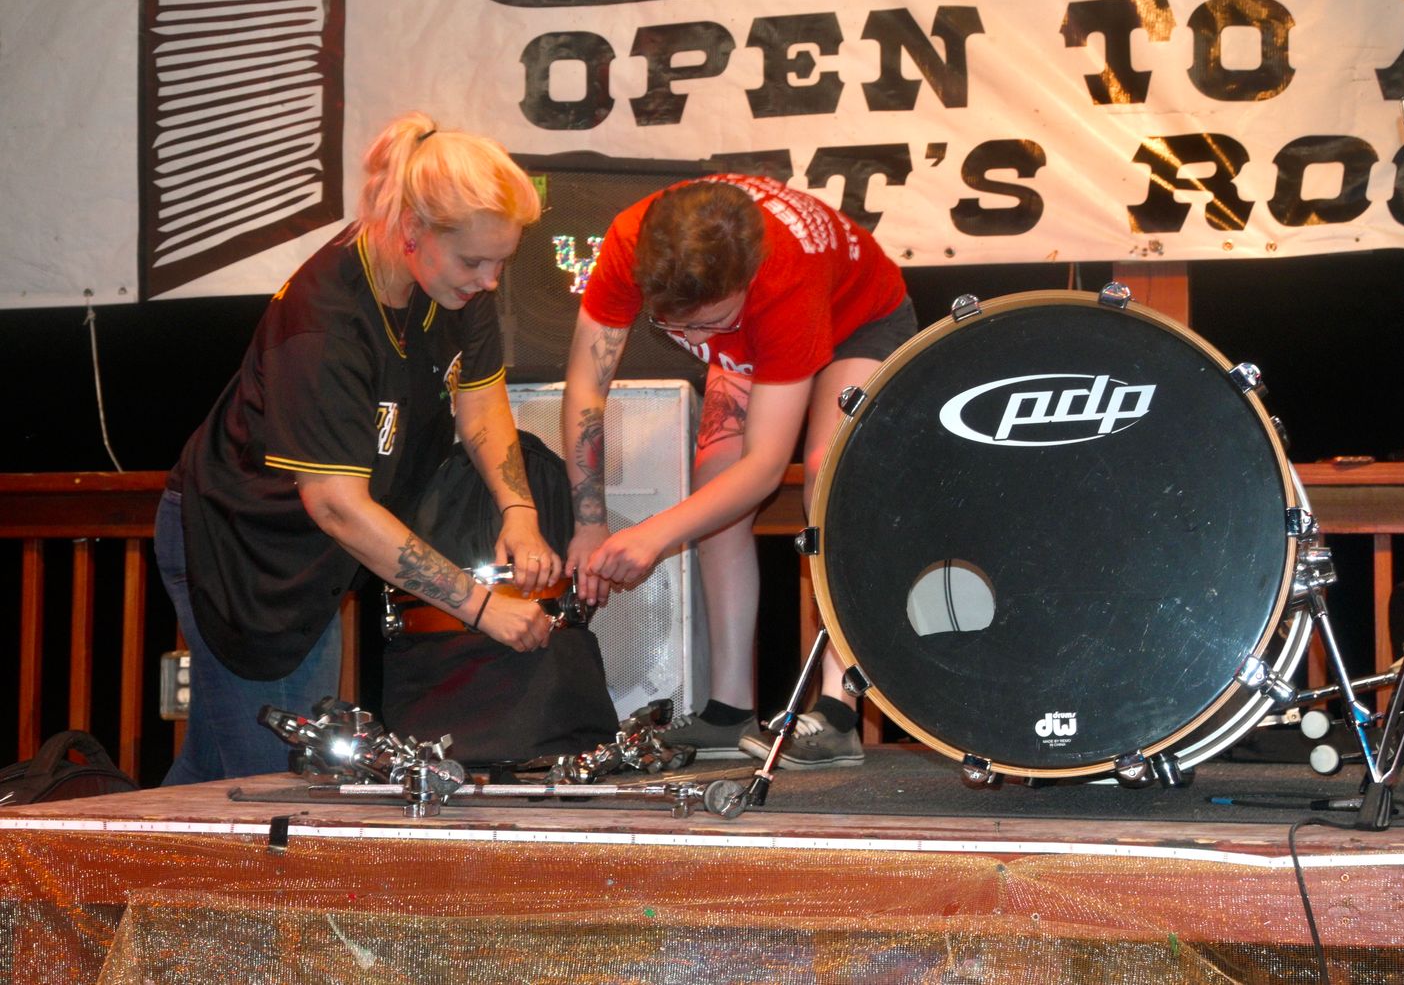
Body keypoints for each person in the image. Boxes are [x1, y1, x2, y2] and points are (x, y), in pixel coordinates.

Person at [157, 112, 561, 784]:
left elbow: (480, 395)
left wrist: (518, 509)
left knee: (217, 769)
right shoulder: (325, 323)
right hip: (246, 546)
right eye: (474, 261)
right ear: (412, 230)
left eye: (501, 261)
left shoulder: (453, 280)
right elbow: (337, 506)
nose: (490, 280)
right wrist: (481, 606)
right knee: (274, 782)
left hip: (312, 549)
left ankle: (113, 855)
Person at [560, 174, 916, 767]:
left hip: (858, 319)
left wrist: (653, 534)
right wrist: (589, 520)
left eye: (711, 324)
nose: (696, 340)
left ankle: (838, 708)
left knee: (829, 477)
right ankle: (729, 710)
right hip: (757, 328)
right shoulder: (627, 243)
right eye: (678, 327)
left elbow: (765, 468)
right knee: (714, 484)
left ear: (747, 278)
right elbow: (585, 388)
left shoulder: (785, 275)